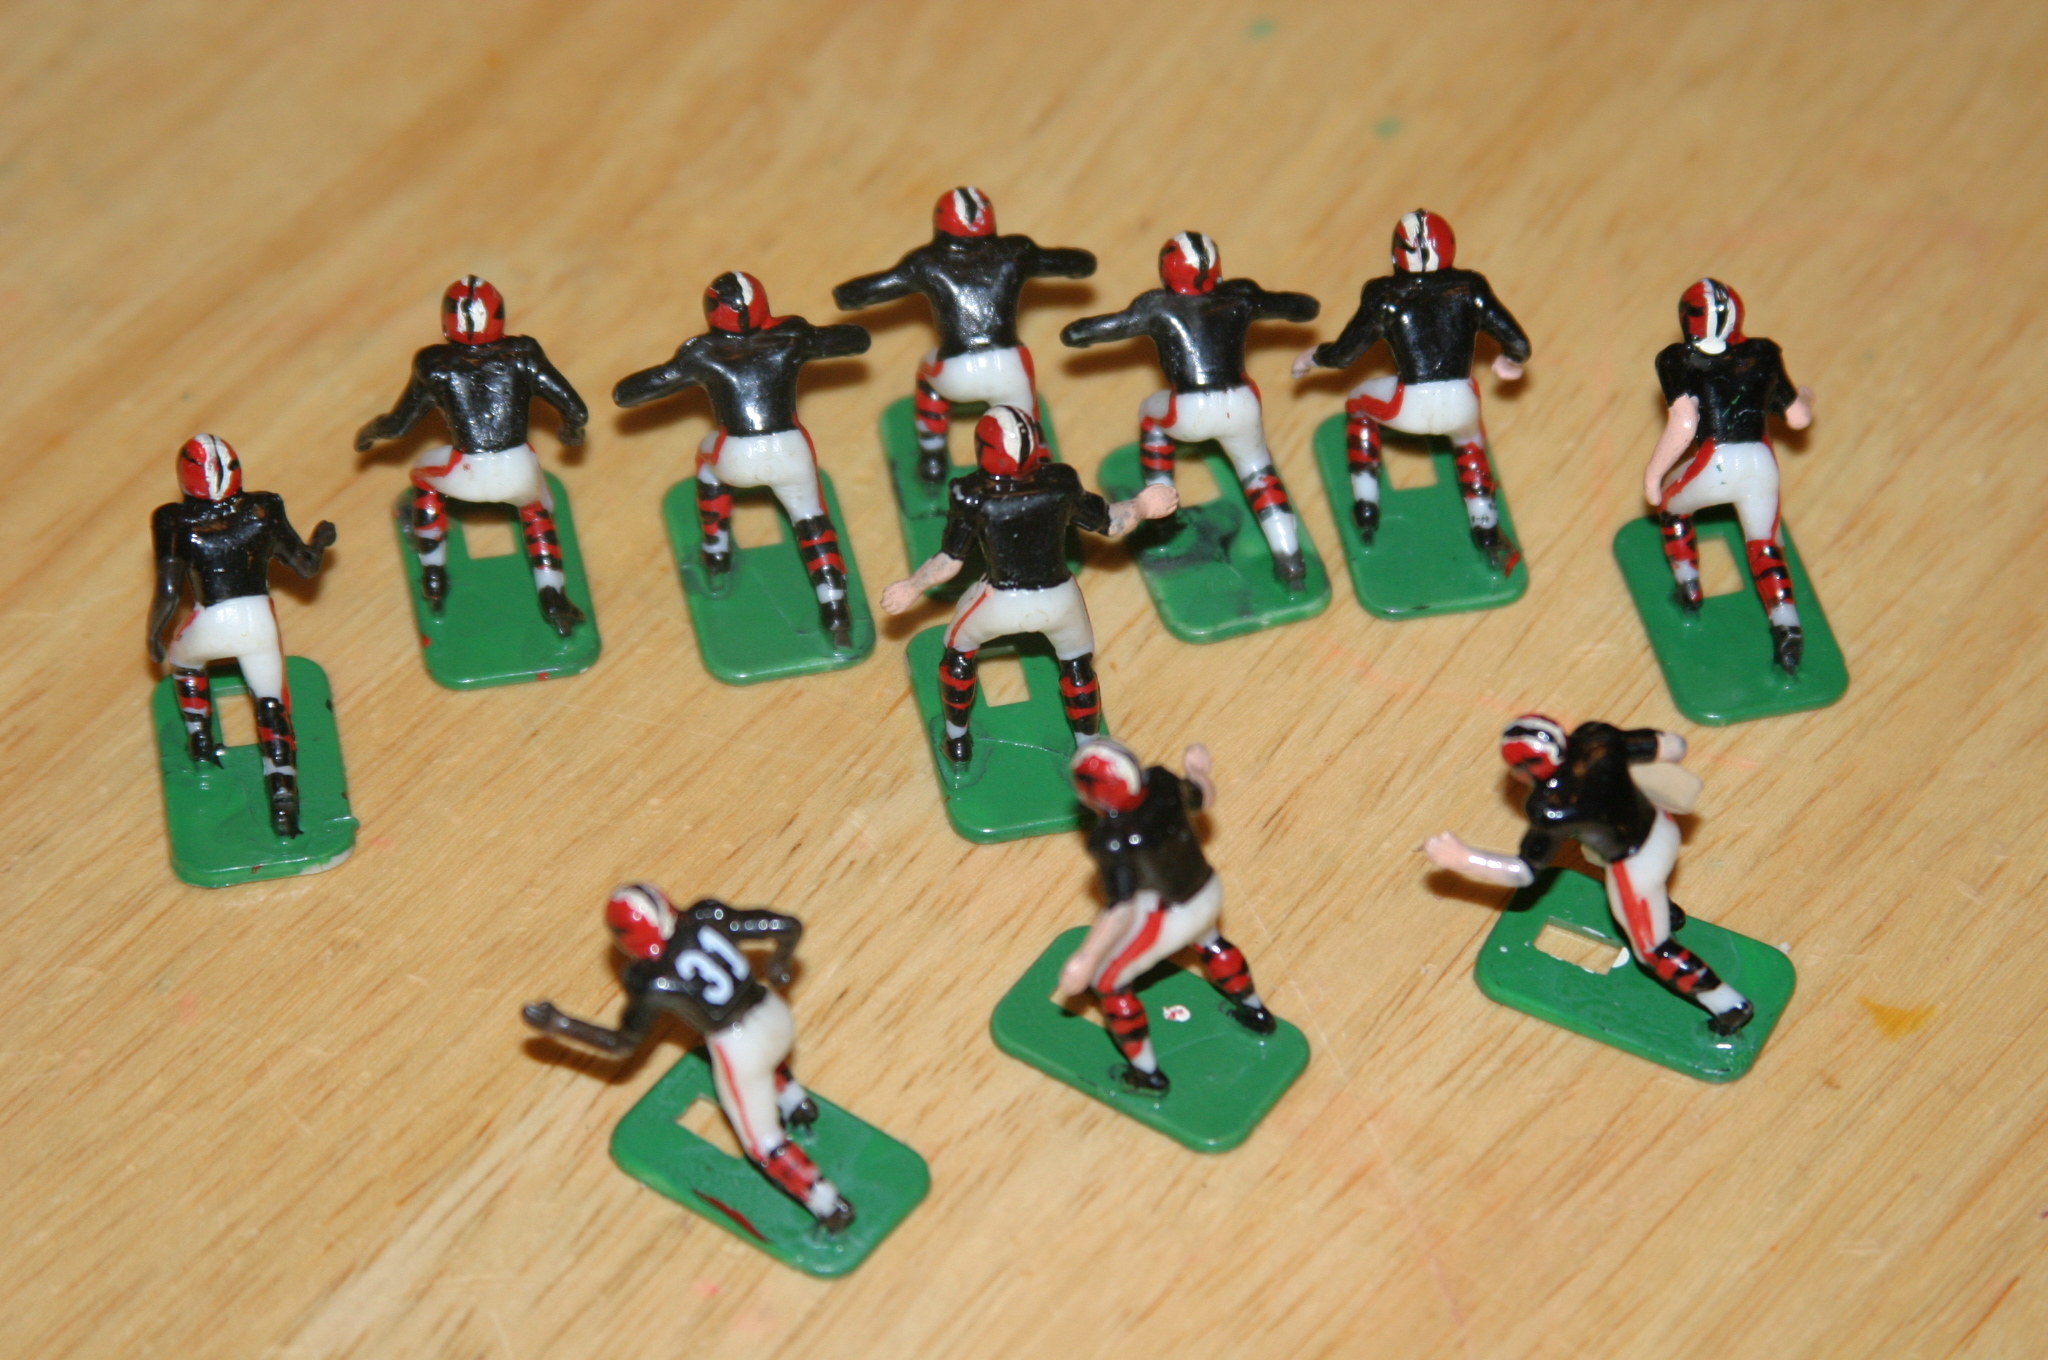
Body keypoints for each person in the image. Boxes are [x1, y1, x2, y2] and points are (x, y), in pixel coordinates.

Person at [521, 884, 854, 1232]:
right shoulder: (706, 915)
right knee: (766, 1061)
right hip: (774, 1012)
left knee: (764, 1143)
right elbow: (787, 925)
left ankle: (827, 1203)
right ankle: (796, 1103)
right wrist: (779, 963)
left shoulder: (654, 981)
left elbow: (621, 1044)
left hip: (738, 1044)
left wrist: (562, 1024)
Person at [1423, 715, 1754, 1035]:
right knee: (1592, 852)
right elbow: (1673, 746)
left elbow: (1523, 873)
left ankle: (1728, 1005)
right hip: (1664, 828)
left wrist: (1464, 859)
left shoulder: (1552, 807)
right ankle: (1665, 912)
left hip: (1636, 865)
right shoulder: (1596, 738)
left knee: (1653, 951)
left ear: (1527, 768)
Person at [880, 407, 1175, 766]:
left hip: (1000, 600)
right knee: (1078, 666)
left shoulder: (973, 495)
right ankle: (1089, 746)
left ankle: (957, 741)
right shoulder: (1059, 483)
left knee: (958, 651)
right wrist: (1142, 505)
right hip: (1060, 599)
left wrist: (913, 587)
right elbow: (1111, 523)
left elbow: (950, 561)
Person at [614, 272, 870, 648]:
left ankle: (716, 549)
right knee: (812, 521)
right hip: (790, 450)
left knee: (706, 459)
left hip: (736, 454)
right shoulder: (791, 335)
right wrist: (818, 336)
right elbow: (856, 339)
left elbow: (634, 391)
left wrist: (631, 387)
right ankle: (835, 608)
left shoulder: (701, 352)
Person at [1061, 233, 1319, 587]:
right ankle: (1290, 558)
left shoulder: (1157, 305)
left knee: (1150, 415)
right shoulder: (1240, 295)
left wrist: (1079, 332)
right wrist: (1301, 307)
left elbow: (1103, 328)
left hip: (1190, 409)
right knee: (1259, 474)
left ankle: (1162, 511)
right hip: (1242, 403)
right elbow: (1301, 307)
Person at [1292, 209, 1531, 570]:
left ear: (1396, 253)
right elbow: (1519, 343)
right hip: (1461, 401)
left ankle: (1366, 502)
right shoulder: (1470, 288)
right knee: (1470, 442)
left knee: (1357, 404)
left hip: (1408, 405)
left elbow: (1344, 355)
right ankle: (1485, 525)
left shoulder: (1385, 294)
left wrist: (1312, 357)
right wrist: (1510, 362)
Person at [355, 276, 591, 636]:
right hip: (518, 468)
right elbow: (575, 409)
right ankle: (553, 595)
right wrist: (570, 433)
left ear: (446, 322)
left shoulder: (435, 364)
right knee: (537, 513)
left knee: (422, 476)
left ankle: (432, 570)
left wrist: (369, 432)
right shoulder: (523, 354)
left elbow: (399, 425)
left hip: (464, 469)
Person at [1053, 738, 1278, 1094]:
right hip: (1208, 889)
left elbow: (1120, 908)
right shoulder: (1162, 782)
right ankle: (1256, 1012)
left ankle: (1147, 1074)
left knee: (1108, 982)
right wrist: (1197, 770)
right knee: (1211, 941)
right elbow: (1205, 797)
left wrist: (1087, 956)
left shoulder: (1113, 839)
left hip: (1171, 912)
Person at [834, 186, 1096, 482]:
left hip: (956, 374)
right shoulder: (1016, 252)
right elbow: (1076, 263)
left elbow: (874, 288)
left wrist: (847, 295)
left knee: (927, 377)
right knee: (1025, 418)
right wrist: (1081, 264)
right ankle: (1039, 457)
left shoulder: (926, 262)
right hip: (1009, 368)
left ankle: (932, 457)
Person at [148, 434, 335, 837]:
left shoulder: (172, 520)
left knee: (183, 661)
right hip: (258, 622)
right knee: (272, 706)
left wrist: (154, 633)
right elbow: (305, 566)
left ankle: (199, 737)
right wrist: (320, 542)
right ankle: (283, 796)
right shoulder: (264, 508)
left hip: (210, 621)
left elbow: (168, 590)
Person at [1641, 278, 1815, 673]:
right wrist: (1805, 396)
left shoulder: (1677, 359)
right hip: (1761, 463)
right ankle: (1787, 627)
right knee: (1765, 546)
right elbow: (1798, 418)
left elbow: (1684, 424)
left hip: (1715, 462)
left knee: (1671, 505)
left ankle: (1688, 584)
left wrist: (1653, 474)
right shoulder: (1763, 353)